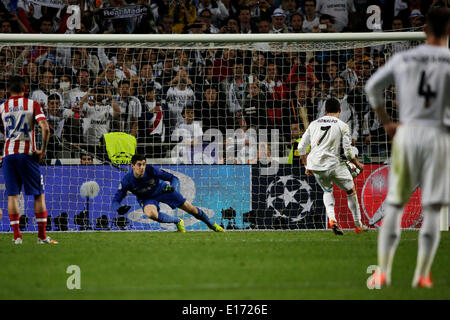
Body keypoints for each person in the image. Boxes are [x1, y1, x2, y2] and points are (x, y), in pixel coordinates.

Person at [364, 8, 450, 289]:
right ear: (448, 30)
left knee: (395, 204)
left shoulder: (404, 58)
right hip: (438, 135)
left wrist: (387, 122)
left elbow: (372, 87)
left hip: (408, 134)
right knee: (433, 208)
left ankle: (384, 272)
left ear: (424, 30)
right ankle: (423, 274)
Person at [0, 75, 57, 244]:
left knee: (12, 196)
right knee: (38, 195)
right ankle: (41, 236)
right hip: (27, 155)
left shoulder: (2, 107)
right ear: (24, 89)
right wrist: (43, 150)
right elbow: (45, 128)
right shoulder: (32, 104)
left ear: (8, 90)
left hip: (9, 156)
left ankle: (17, 236)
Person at [297, 98, 367, 235]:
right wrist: (358, 164)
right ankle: (358, 225)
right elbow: (347, 152)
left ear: (325, 111)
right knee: (351, 191)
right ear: (340, 111)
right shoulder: (343, 125)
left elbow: (300, 147)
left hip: (316, 165)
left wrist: (307, 164)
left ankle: (332, 220)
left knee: (327, 191)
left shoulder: (313, 124)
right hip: (335, 164)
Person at [112, 154, 225, 232]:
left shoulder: (151, 170)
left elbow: (173, 178)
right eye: (139, 165)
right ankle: (177, 221)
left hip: (163, 190)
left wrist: (172, 187)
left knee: (190, 209)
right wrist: (118, 208)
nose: (142, 167)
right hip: (147, 199)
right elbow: (116, 200)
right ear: (132, 165)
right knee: (151, 214)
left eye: (144, 164)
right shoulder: (126, 181)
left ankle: (212, 225)